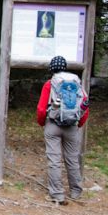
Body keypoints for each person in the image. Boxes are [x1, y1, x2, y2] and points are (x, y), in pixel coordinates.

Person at [36, 56, 90, 205]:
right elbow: (85, 105)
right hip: (72, 125)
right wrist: (78, 124)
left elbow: (41, 108)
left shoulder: (50, 84)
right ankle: (76, 191)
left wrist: (43, 123)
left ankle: (57, 194)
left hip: (53, 124)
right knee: (72, 159)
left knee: (54, 160)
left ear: (51, 69)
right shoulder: (76, 83)